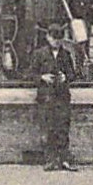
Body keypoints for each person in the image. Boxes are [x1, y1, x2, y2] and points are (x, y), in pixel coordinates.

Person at [26, 22, 78, 171]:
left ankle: (64, 159)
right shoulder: (39, 54)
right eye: (54, 38)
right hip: (46, 97)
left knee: (62, 128)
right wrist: (42, 77)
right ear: (48, 37)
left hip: (62, 97)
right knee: (48, 129)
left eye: (59, 38)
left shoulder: (66, 54)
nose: (57, 41)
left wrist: (65, 77)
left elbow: (73, 74)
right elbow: (29, 74)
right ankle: (50, 160)